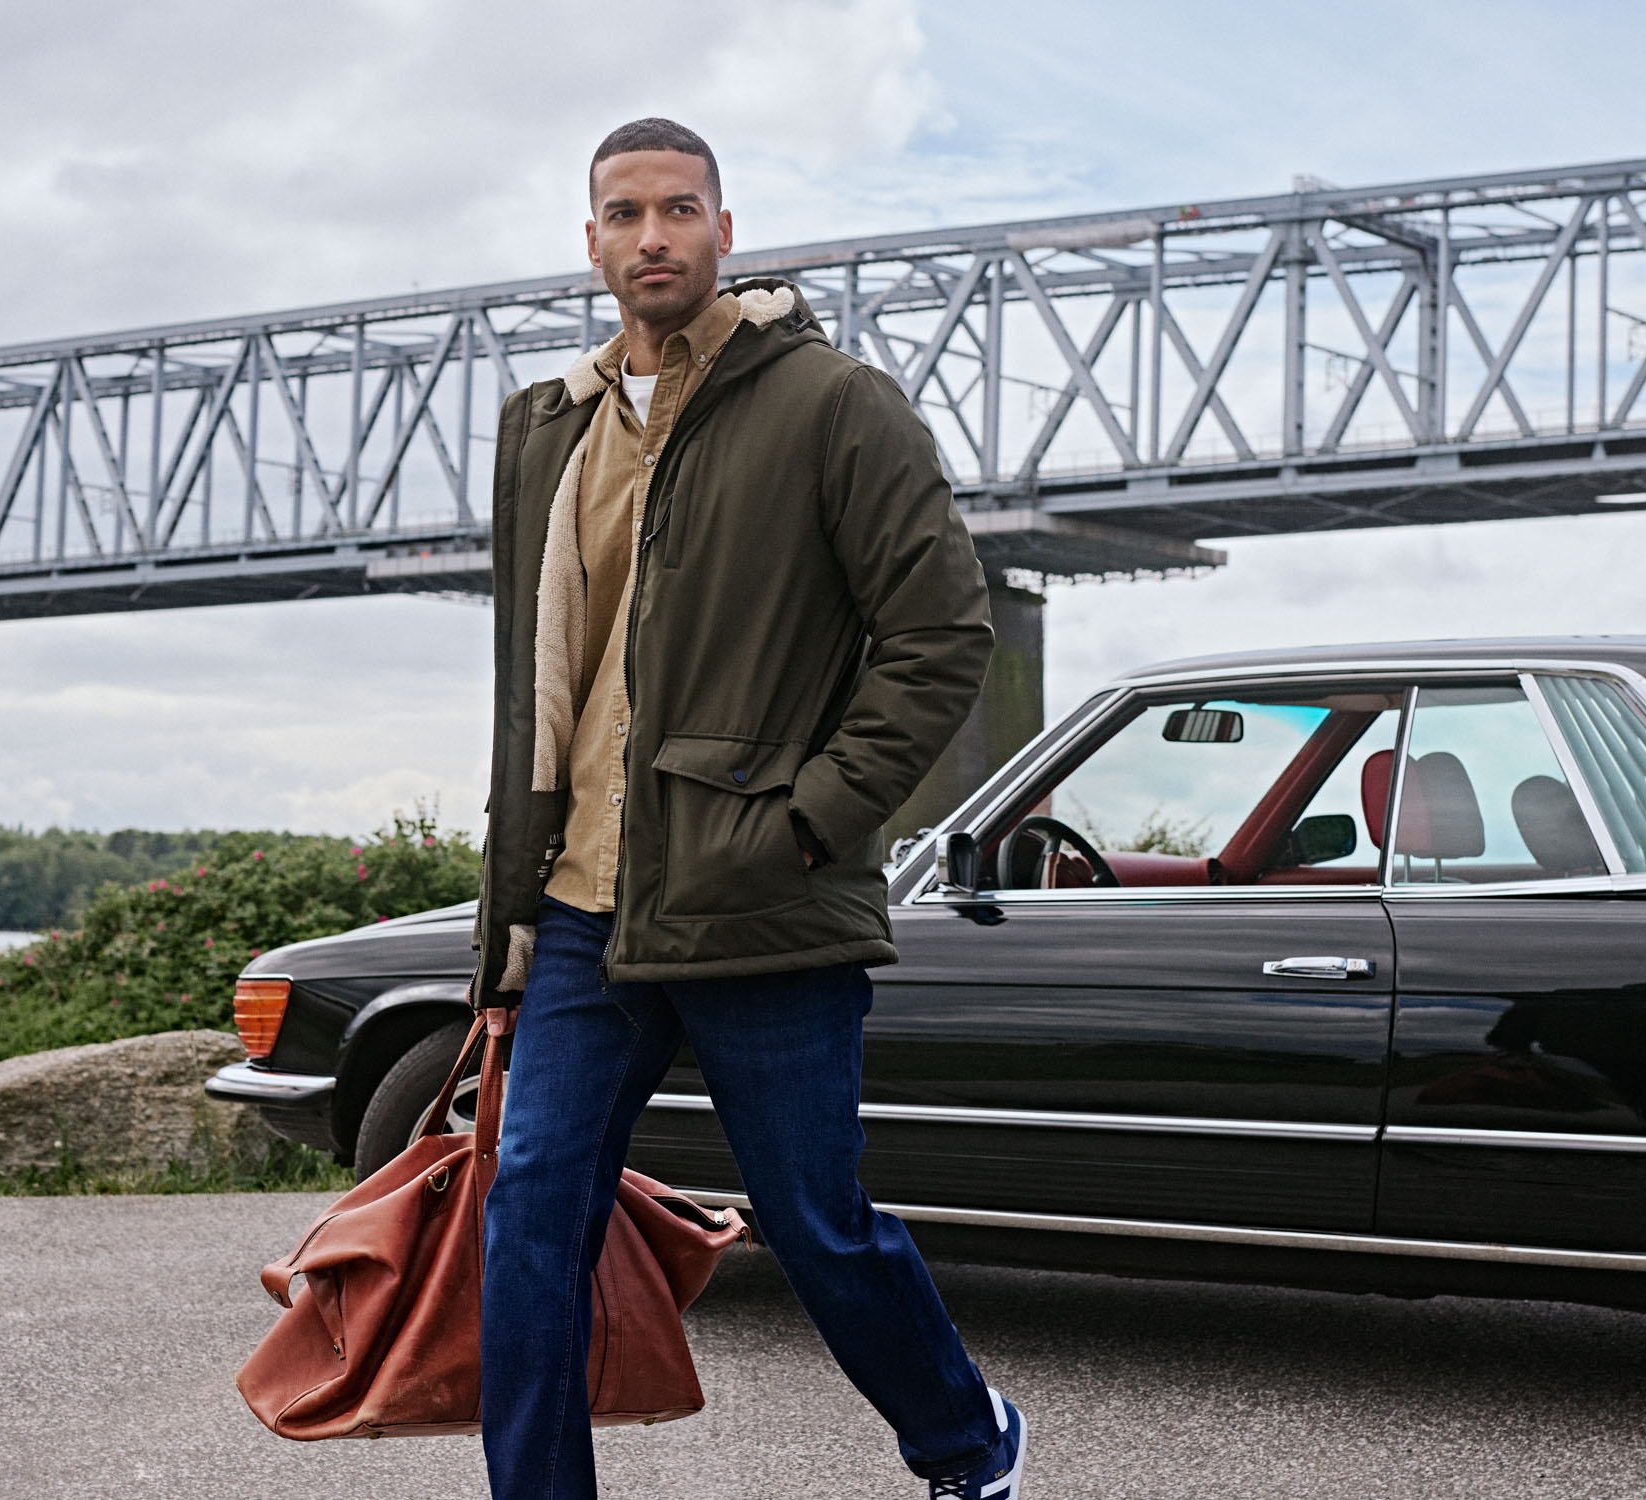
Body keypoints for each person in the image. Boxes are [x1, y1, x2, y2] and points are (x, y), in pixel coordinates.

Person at [467, 116, 1027, 1499]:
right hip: (588, 908)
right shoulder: (548, 428)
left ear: (725, 228)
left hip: (761, 894)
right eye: (621, 214)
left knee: (815, 1226)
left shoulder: (834, 404)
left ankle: (969, 1442)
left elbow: (944, 634)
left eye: (677, 210)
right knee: (530, 1221)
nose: (649, 237)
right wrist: (505, 940)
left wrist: (811, 823)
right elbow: (533, 692)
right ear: (588, 239)